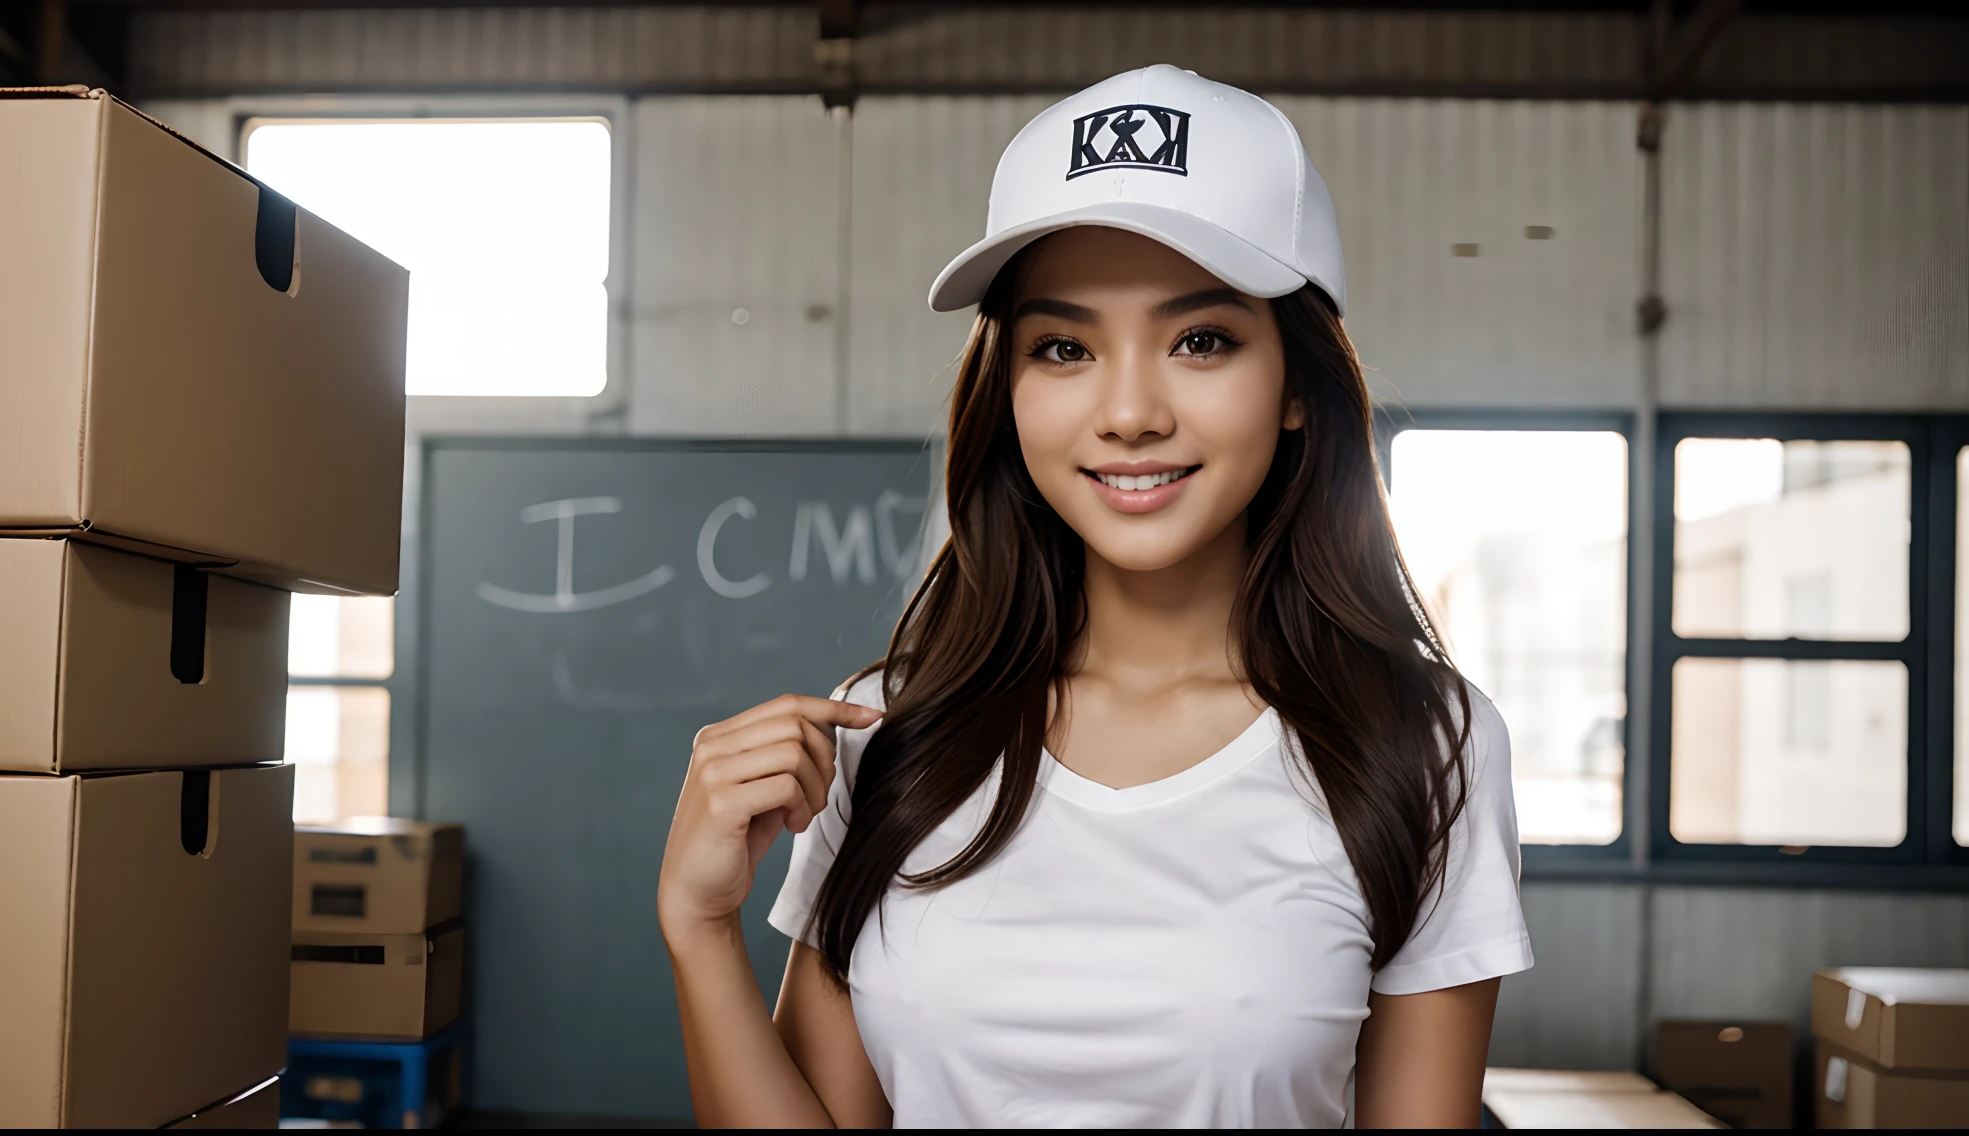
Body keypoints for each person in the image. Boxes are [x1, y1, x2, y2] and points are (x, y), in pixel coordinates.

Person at [657, 64, 1532, 1128]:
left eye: (1199, 338)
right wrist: (698, 925)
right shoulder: (890, 728)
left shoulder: (1420, 743)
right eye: (1062, 346)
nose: (1125, 412)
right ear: (1010, 388)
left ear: (1296, 381)